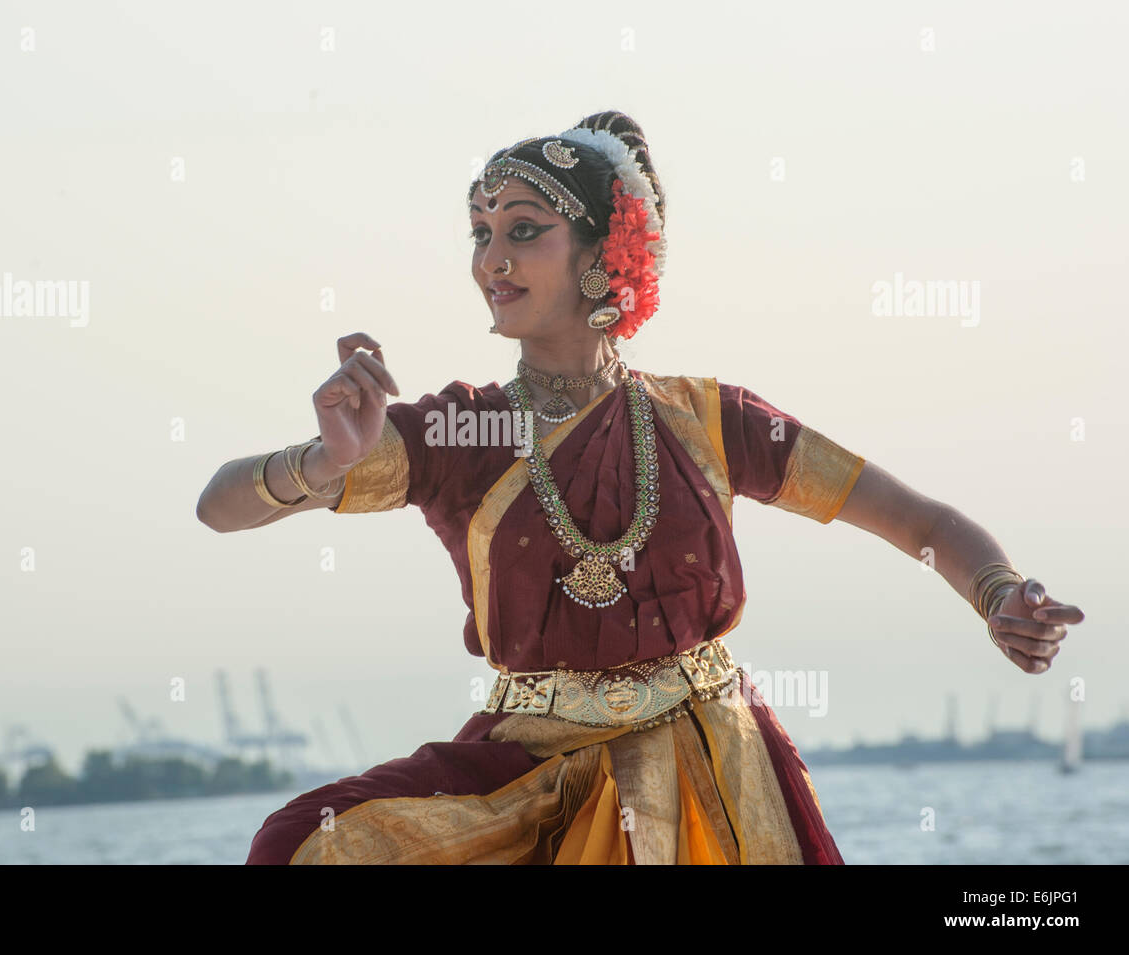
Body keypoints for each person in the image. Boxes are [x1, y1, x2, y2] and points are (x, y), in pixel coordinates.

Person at [196, 110, 1085, 865]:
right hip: (534, 773)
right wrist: (323, 462)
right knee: (303, 841)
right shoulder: (461, 434)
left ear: (602, 250)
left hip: (718, 776)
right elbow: (219, 505)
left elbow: (916, 517)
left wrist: (1000, 590)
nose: (490, 259)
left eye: (522, 228)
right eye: (480, 232)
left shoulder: (710, 422)